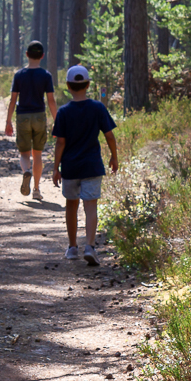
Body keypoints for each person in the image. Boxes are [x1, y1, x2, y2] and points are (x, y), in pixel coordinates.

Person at [50, 64, 118, 266]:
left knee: (71, 205)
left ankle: (72, 248)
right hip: (92, 166)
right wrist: (114, 157)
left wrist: (56, 168)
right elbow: (110, 135)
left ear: (68, 86)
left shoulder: (63, 112)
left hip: (70, 168)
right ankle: (89, 246)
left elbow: (60, 142)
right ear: (88, 85)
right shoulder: (98, 108)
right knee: (90, 206)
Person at [3, 40, 57, 200]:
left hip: (22, 117)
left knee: (24, 153)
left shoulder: (19, 75)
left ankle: (26, 170)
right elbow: (51, 101)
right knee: (38, 154)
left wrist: (8, 121)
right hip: (39, 116)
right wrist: (57, 121)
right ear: (42, 56)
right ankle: (36, 189)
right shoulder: (46, 75)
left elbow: (13, 100)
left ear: (26, 55)